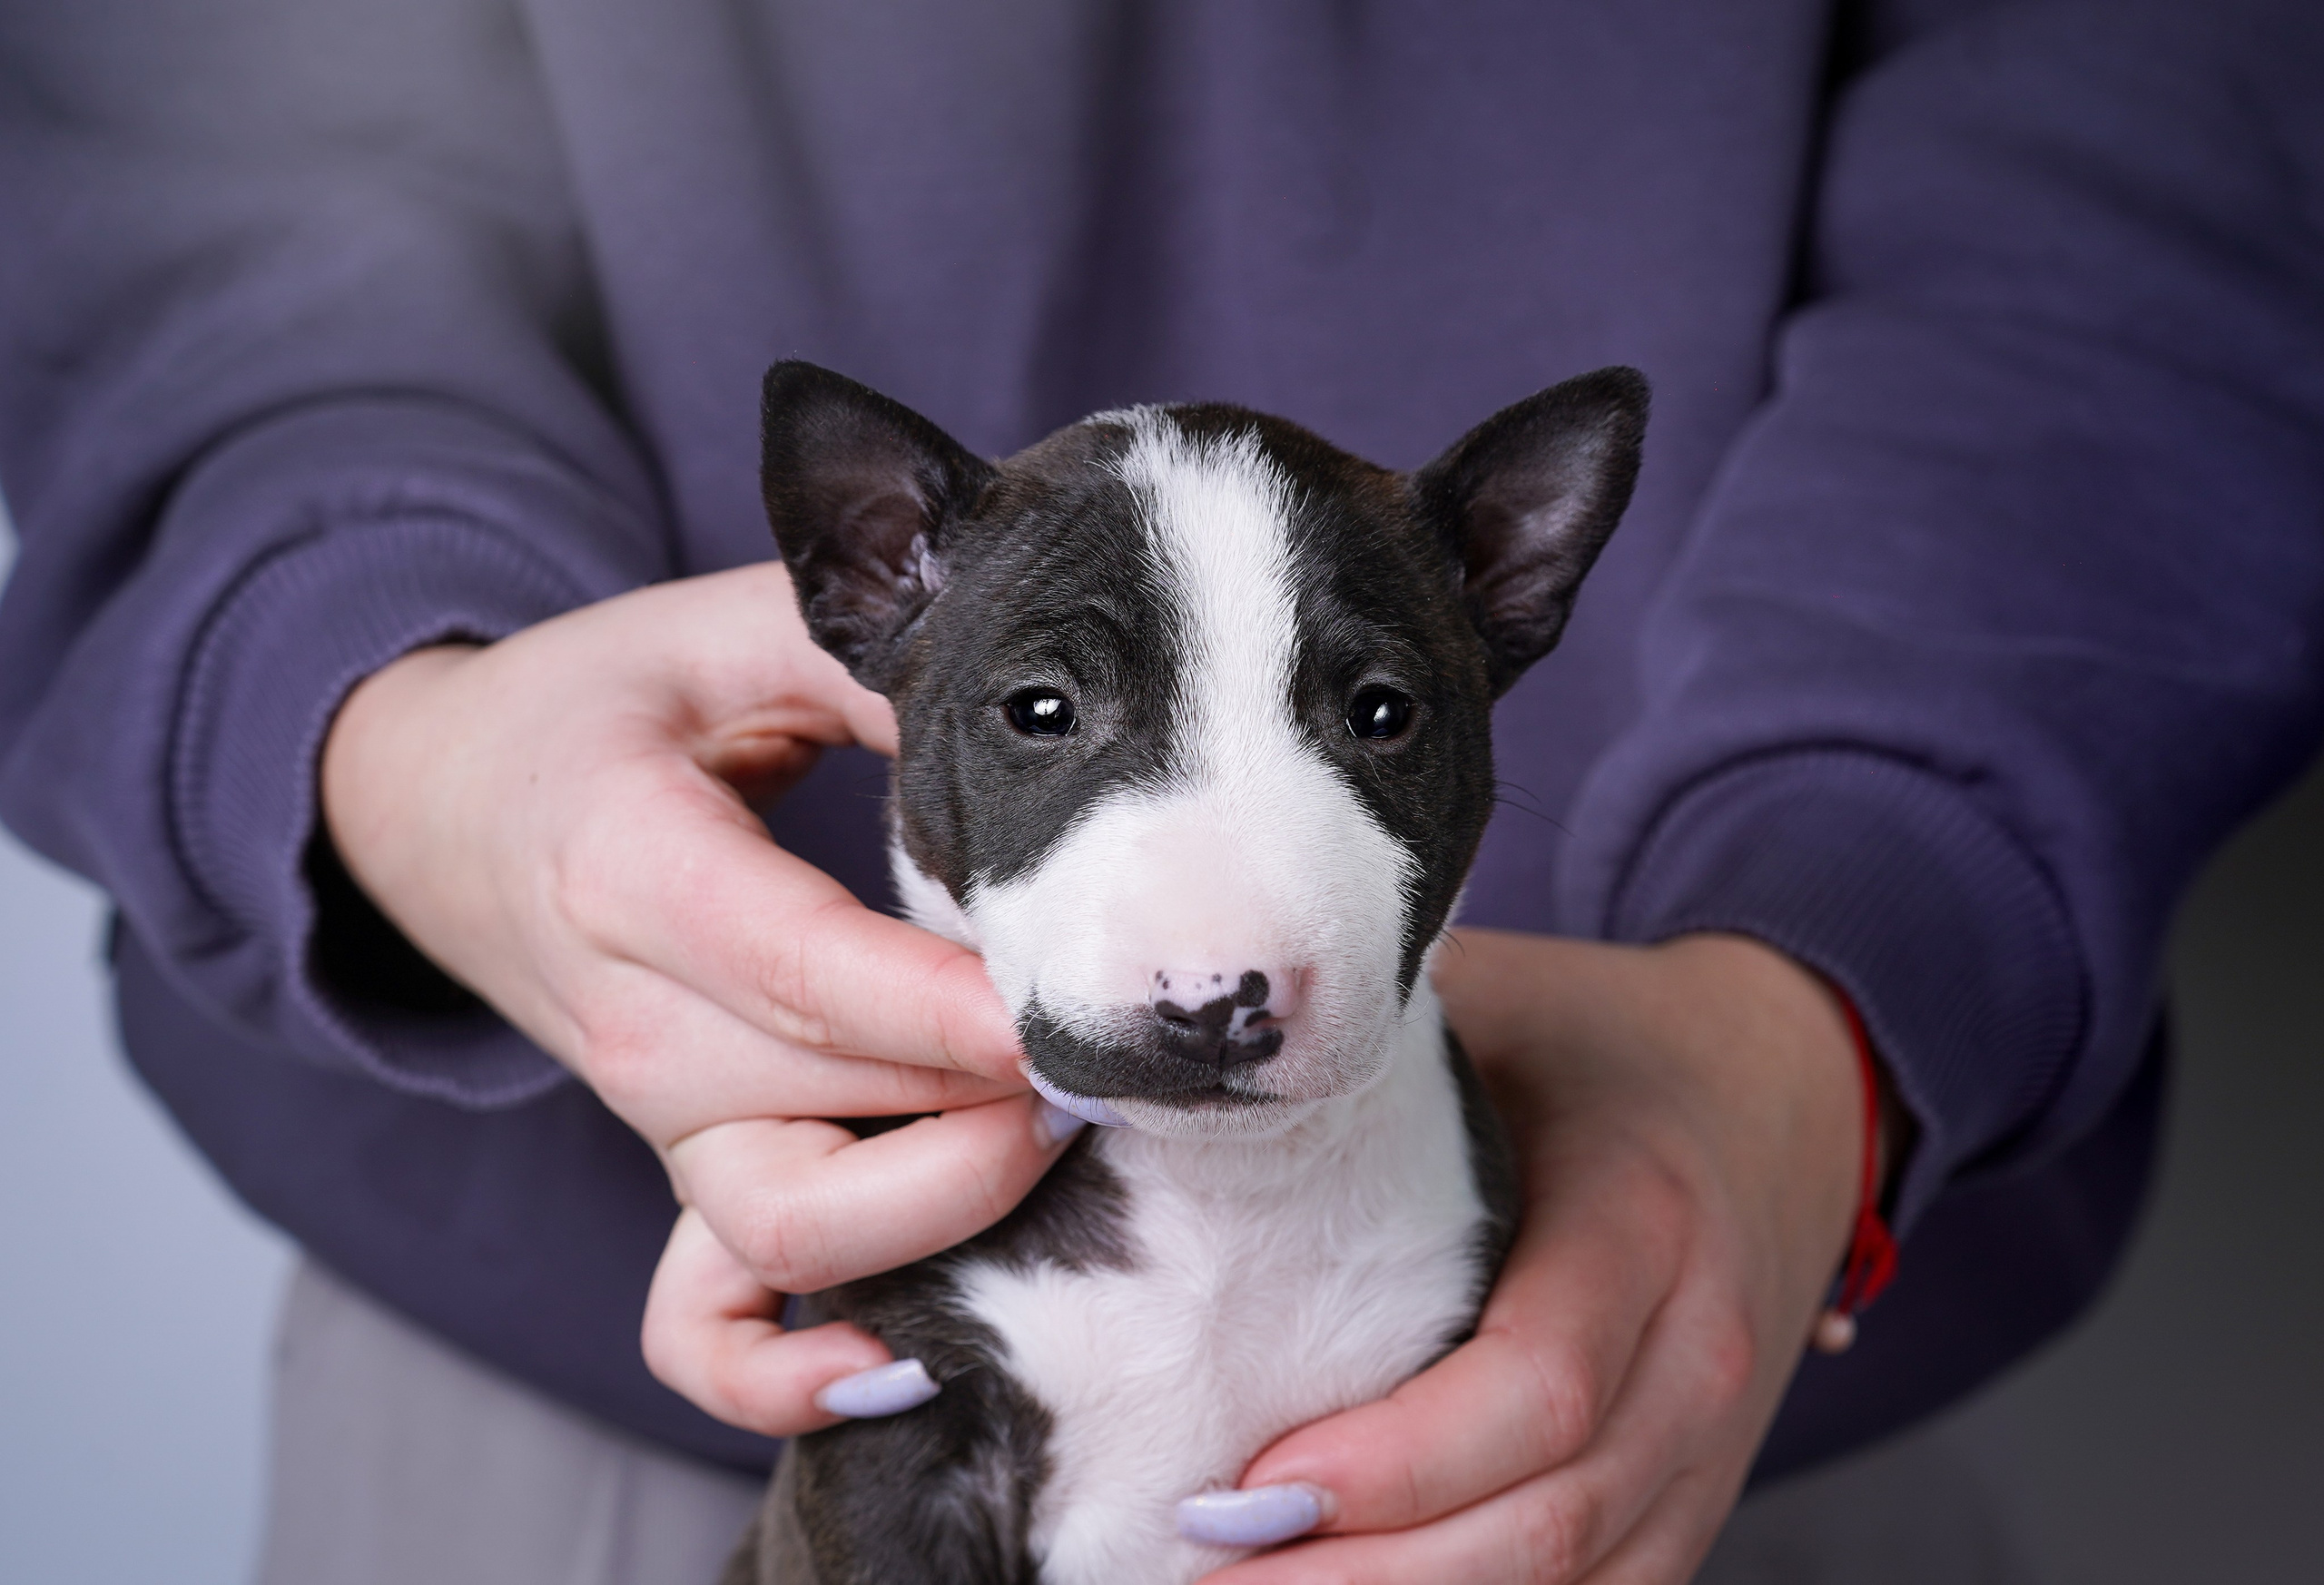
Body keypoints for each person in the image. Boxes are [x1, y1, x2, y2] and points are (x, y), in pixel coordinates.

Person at [1, 2, 2319, 1581]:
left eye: (1380, 714)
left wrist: (1847, 953)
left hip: (1698, 1366)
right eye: (1041, 712)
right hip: (565, 1355)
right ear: (861, 571)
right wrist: (384, 700)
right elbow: (176, 115)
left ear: (1511, 595)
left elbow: (2165, 136)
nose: (1216, 946)